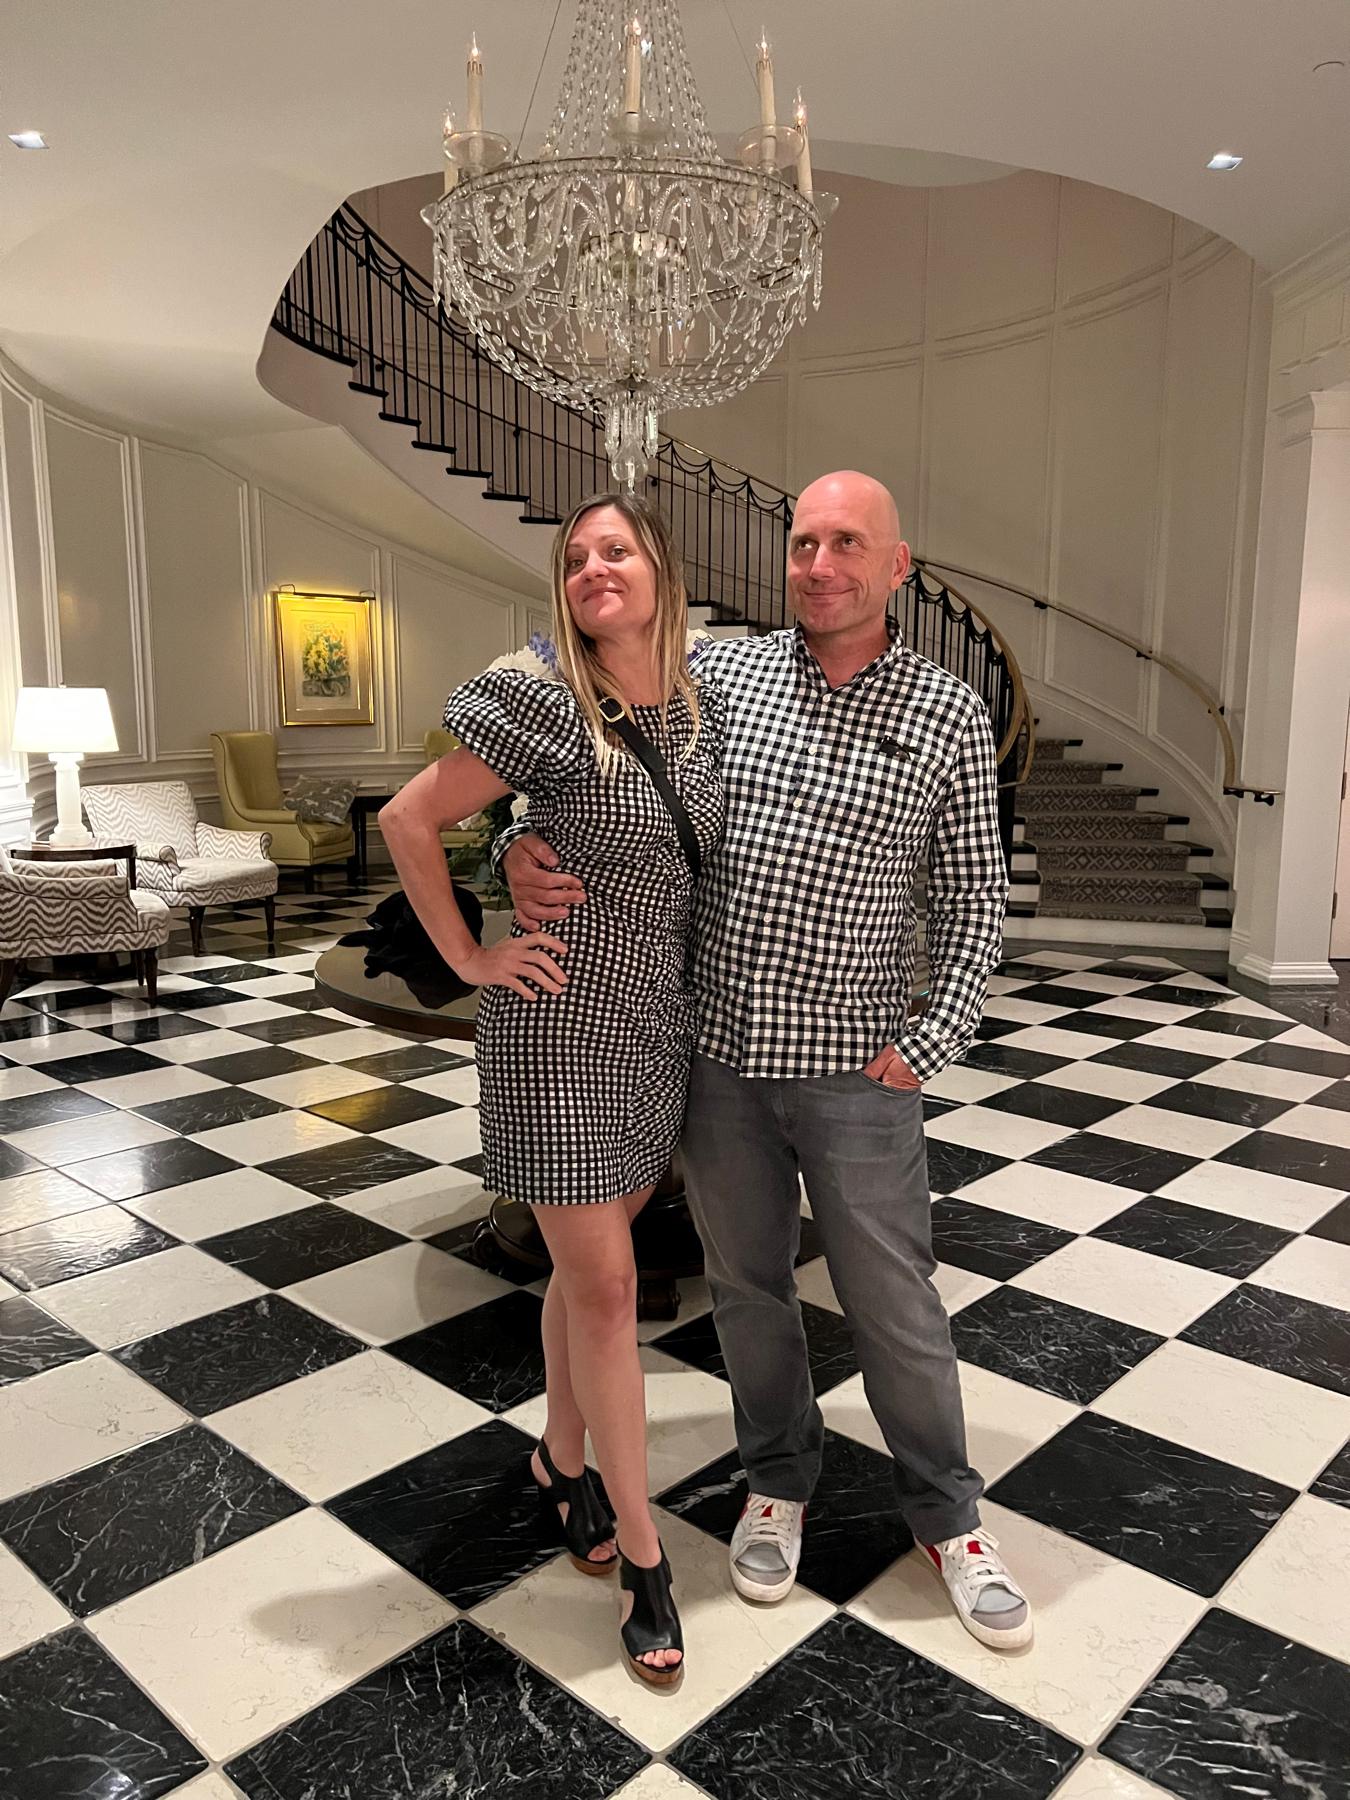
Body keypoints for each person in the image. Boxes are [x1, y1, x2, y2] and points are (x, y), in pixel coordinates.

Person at [500, 469, 1031, 1650]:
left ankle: (948, 1516)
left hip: (858, 1071)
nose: (820, 565)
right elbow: (597, 785)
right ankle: (777, 1479)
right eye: (804, 543)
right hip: (718, 1061)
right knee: (747, 1289)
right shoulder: (720, 678)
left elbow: (974, 902)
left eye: (848, 543)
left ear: (896, 567)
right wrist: (516, 848)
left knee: (894, 1301)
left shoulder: (946, 712)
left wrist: (929, 1041)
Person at [380, 491, 725, 1686]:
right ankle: (644, 1557)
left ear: (662, 569)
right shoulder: (543, 696)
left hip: (653, 1033)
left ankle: (559, 1464)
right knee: (613, 1293)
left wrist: (514, 843)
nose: (592, 569)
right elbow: (409, 817)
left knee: (588, 1282)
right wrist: (473, 952)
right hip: (557, 1030)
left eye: (615, 550)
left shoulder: (698, 704)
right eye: (575, 558)